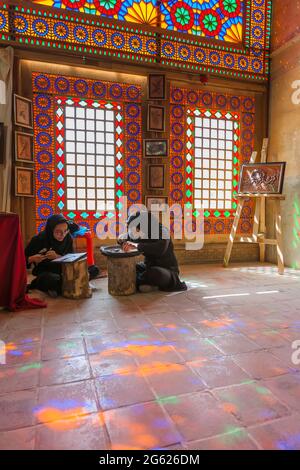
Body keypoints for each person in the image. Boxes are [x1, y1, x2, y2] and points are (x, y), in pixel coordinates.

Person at [118, 211, 187, 293]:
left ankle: (143, 282)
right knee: (130, 268)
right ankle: (145, 282)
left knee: (155, 273)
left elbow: (160, 249)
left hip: (167, 270)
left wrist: (136, 245)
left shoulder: (163, 231)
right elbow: (125, 239)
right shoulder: (140, 232)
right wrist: (121, 241)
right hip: (148, 265)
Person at [25, 214, 78, 297]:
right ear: (51, 229)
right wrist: (32, 259)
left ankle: (60, 286)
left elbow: (72, 259)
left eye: (65, 230)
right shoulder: (38, 239)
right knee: (50, 279)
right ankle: (65, 285)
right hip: (46, 273)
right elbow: (21, 260)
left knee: (93, 270)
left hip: (64, 272)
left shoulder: (68, 238)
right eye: (58, 232)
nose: (63, 235)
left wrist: (58, 257)